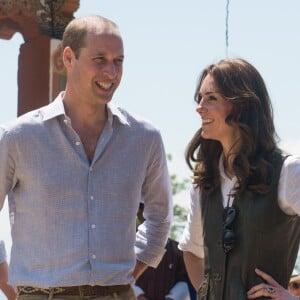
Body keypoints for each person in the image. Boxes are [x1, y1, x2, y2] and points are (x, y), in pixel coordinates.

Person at [0, 15, 173, 300]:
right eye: (100, 59)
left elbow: (161, 217)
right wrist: (11, 289)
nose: (111, 72)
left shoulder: (145, 138)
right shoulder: (18, 137)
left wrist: (127, 274)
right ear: (68, 58)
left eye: (119, 61)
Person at [178, 58, 300, 299]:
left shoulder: (288, 172)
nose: (199, 107)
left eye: (211, 98)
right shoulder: (205, 181)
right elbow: (192, 251)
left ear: (241, 105)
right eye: (199, 98)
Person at [134, 203, 194, 300]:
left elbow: (184, 280)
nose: (146, 215)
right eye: (142, 210)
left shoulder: (177, 250)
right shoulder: (127, 245)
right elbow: (119, 276)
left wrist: (172, 298)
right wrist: (138, 295)